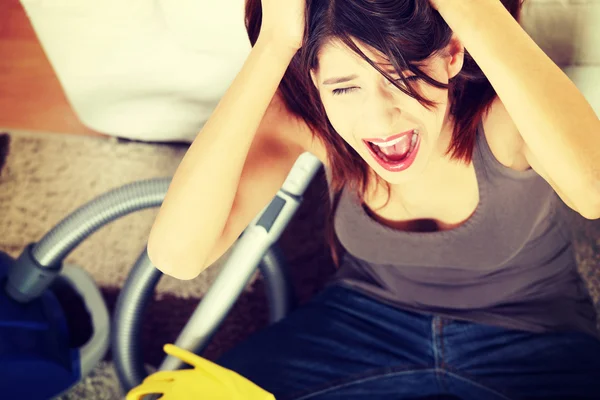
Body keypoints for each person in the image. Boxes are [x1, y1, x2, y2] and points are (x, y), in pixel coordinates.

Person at [147, 0, 600, 398]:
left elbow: (593, 192)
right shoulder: (309, 122)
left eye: (402, 76)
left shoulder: (503, 116)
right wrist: (275, 44)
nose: (381, 119)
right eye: (345, 87)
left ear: (452, 54)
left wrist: (472, 8)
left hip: (531, 335)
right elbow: (178, 256)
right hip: (363, 321)